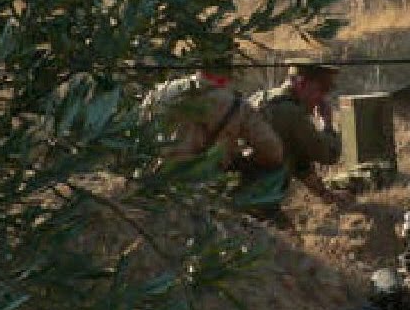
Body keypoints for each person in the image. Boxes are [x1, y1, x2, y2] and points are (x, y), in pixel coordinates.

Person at [142, 60, 283, 172]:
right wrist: (239, 160)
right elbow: (273, 151)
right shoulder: (238, 106)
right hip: (204, 188)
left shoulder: (160, 93)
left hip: (156, 186)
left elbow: (137, 141)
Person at [252, 60, 352, 207]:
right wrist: (327, 124)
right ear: (301, 84)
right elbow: (329, 154)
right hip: (255, 196)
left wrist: (324, 194)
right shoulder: (291, 112)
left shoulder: (261, 98)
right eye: (321, 89)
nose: (322, 99)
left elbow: (299, 162)